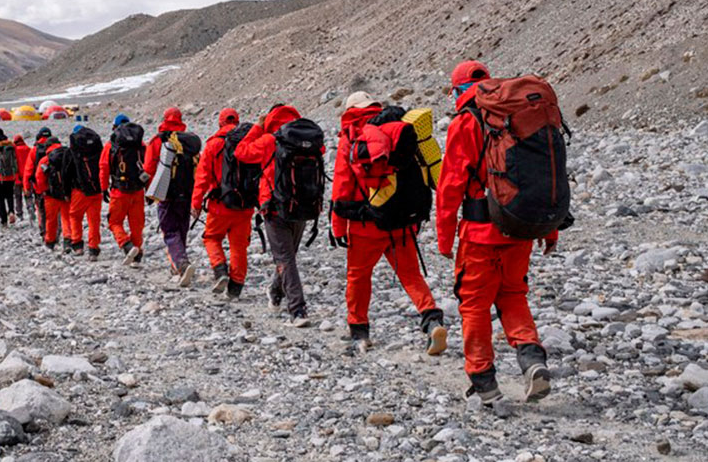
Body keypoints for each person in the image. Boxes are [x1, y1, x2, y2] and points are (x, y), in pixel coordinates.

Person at [437, 60, 556, 405]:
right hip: (521, 226)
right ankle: (533, 362)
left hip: (479, 234)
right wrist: (549, 230)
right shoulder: (518, 115)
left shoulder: (466, 122)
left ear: (458, 90)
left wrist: (445, 238)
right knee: (513, 294)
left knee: (474, 304)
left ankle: (484, 381)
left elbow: (450, 186)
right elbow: (545, 175)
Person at [330, 91, 447, 357]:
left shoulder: (352, 135)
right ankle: (432, 320)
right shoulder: (400, 128)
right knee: (410, 274)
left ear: (350, 110)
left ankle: (359, 332)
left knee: (359, 277)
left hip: (365, 224)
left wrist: (338, 226)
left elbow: (342, 184)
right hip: (401, 221)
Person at [234, 104, 322, 327]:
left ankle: (298, 310)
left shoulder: (270, 140)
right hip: (304, 204)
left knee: (284, 257)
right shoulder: (309, 141)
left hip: (274, 207)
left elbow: (241, 152)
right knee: (288, 254)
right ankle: (275, 292)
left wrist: (258, 127)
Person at [191, 108, 253, 298]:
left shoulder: (213, 144)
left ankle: (220, 271)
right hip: (245, 204)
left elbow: (202, 177)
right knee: (239, 246)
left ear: (220, 123)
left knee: (212, 238)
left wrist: (196, 203)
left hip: (219, 205)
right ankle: (236, 287)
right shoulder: (248, 141)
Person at [144, 107, 201, 287]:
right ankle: (178, 262)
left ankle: (181, 264)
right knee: (182, 227)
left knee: (169, 230)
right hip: (187, 192)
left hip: (166, 193)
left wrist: (150, 191)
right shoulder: (189, 142)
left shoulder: (158, 141)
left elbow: (149, 168)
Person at [100, 114, 148, 266]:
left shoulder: (111, 145)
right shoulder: (141, 144)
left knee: (114, 222)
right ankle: (137, 255)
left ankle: (127, 245)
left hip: (119, 190)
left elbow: (103, 168)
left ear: (114, 127)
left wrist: (103, 188)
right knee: (137, 224)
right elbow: (149, 167)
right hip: (138, 190)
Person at [67, 124, 105, 259]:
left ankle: (77, 245)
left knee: (75, 216)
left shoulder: (73, 151)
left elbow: (68, 172)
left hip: (79, 190)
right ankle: (93, 249)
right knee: (94, 220)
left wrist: (66, 192)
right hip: (96, 189)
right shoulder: (96, 148)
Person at [34, 136, 73, 252]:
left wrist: (43, 191)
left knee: (51, 220)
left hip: (50, 195)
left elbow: (39, 177)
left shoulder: (45, 159)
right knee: (67, 218)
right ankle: (67, 240)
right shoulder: (68, 155)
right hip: (66, 193)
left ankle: (50, 242)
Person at [24, 127, 54, 234]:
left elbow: (28, 171)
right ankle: (55, 232)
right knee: (55, 210)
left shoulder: (34, 150)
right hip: (55, 185)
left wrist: (27, 187)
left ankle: (43, 229)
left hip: (38, 186)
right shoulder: (55, 148)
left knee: (41, 208)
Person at [12, 135, 33, 223]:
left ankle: (19, 214)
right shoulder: (29, 149)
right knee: (28, 196)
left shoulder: (14, 151)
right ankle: (31, 210)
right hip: (27, 177)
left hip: (17, 178)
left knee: (18, 197)